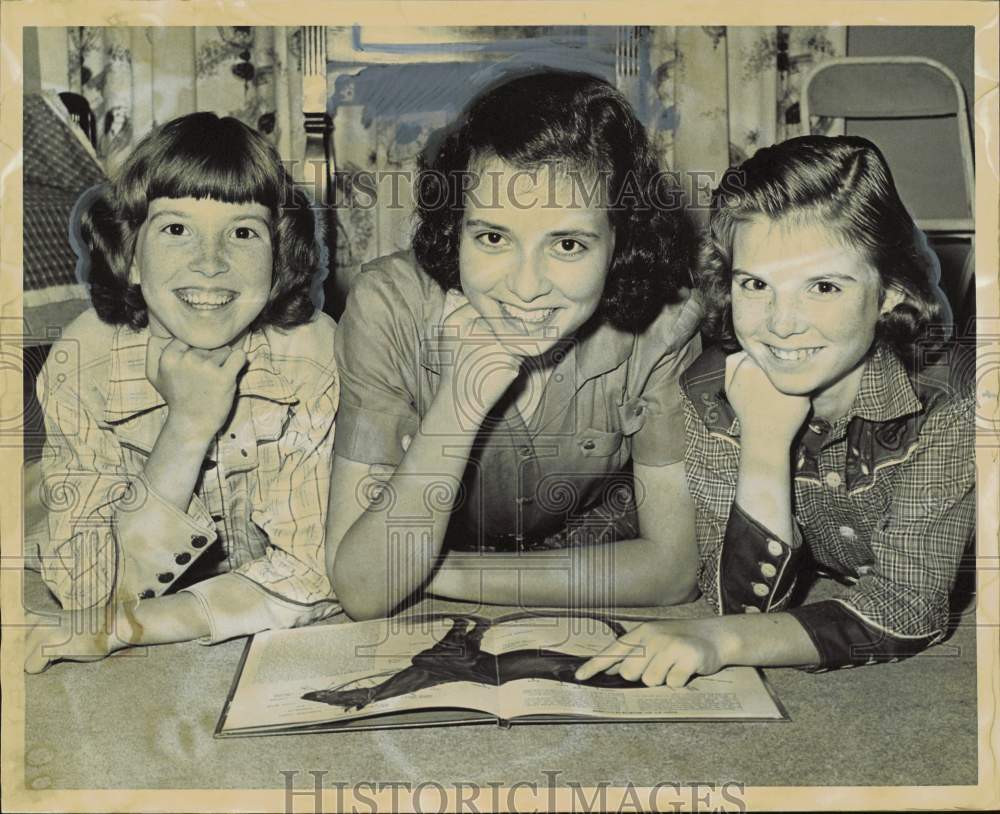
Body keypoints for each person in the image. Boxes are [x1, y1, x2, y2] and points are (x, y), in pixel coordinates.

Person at [576, 135, 975, 686]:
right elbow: (742, 606)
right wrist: (763, 446)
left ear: (890, 293)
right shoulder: (711, 395)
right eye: (757, 284)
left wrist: (719, 642)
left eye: (824, 286)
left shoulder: (951, 406)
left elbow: (908, 606)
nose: (781, 323)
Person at [327, 71, 703, 621]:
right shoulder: (388, 304)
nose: (526, 287)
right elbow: (364, 590)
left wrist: (435, 571)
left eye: (568, 244)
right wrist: (459, 402)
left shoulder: (666, 324)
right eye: (493, 237)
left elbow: (671, 571)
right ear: (455, 226)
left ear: (620, 239)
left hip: (581, 547)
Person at [25, 112, 339, 672]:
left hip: (222, 616)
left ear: (278, 259)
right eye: (176, 229)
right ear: (130, 254)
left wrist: (130, 628)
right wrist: (188, 428)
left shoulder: (313, 357)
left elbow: (319, 570)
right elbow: (84, 589)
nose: (211, 263)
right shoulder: (83, 361)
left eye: (243, 232)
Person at [302, 615, 640, 711]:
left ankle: (365, 695)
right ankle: (364, 696)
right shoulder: (438, 659)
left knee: (555, 666)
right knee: (428, 667)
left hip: (487, 667)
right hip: (477, 667)